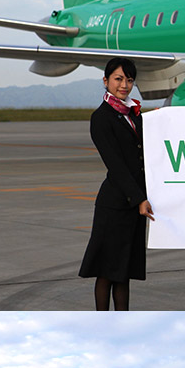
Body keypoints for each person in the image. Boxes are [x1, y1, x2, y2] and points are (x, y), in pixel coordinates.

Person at [78, 57, 154, 310]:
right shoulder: (101, 117)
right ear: (106, 81)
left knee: (123, 272)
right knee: (107, 272)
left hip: (134, 205)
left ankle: (122, 323)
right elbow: (116, 165)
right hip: (115, 205)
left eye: (129, 80)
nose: (124, 85)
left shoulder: (135, 115)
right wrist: (140, 198)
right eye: (118, 79)